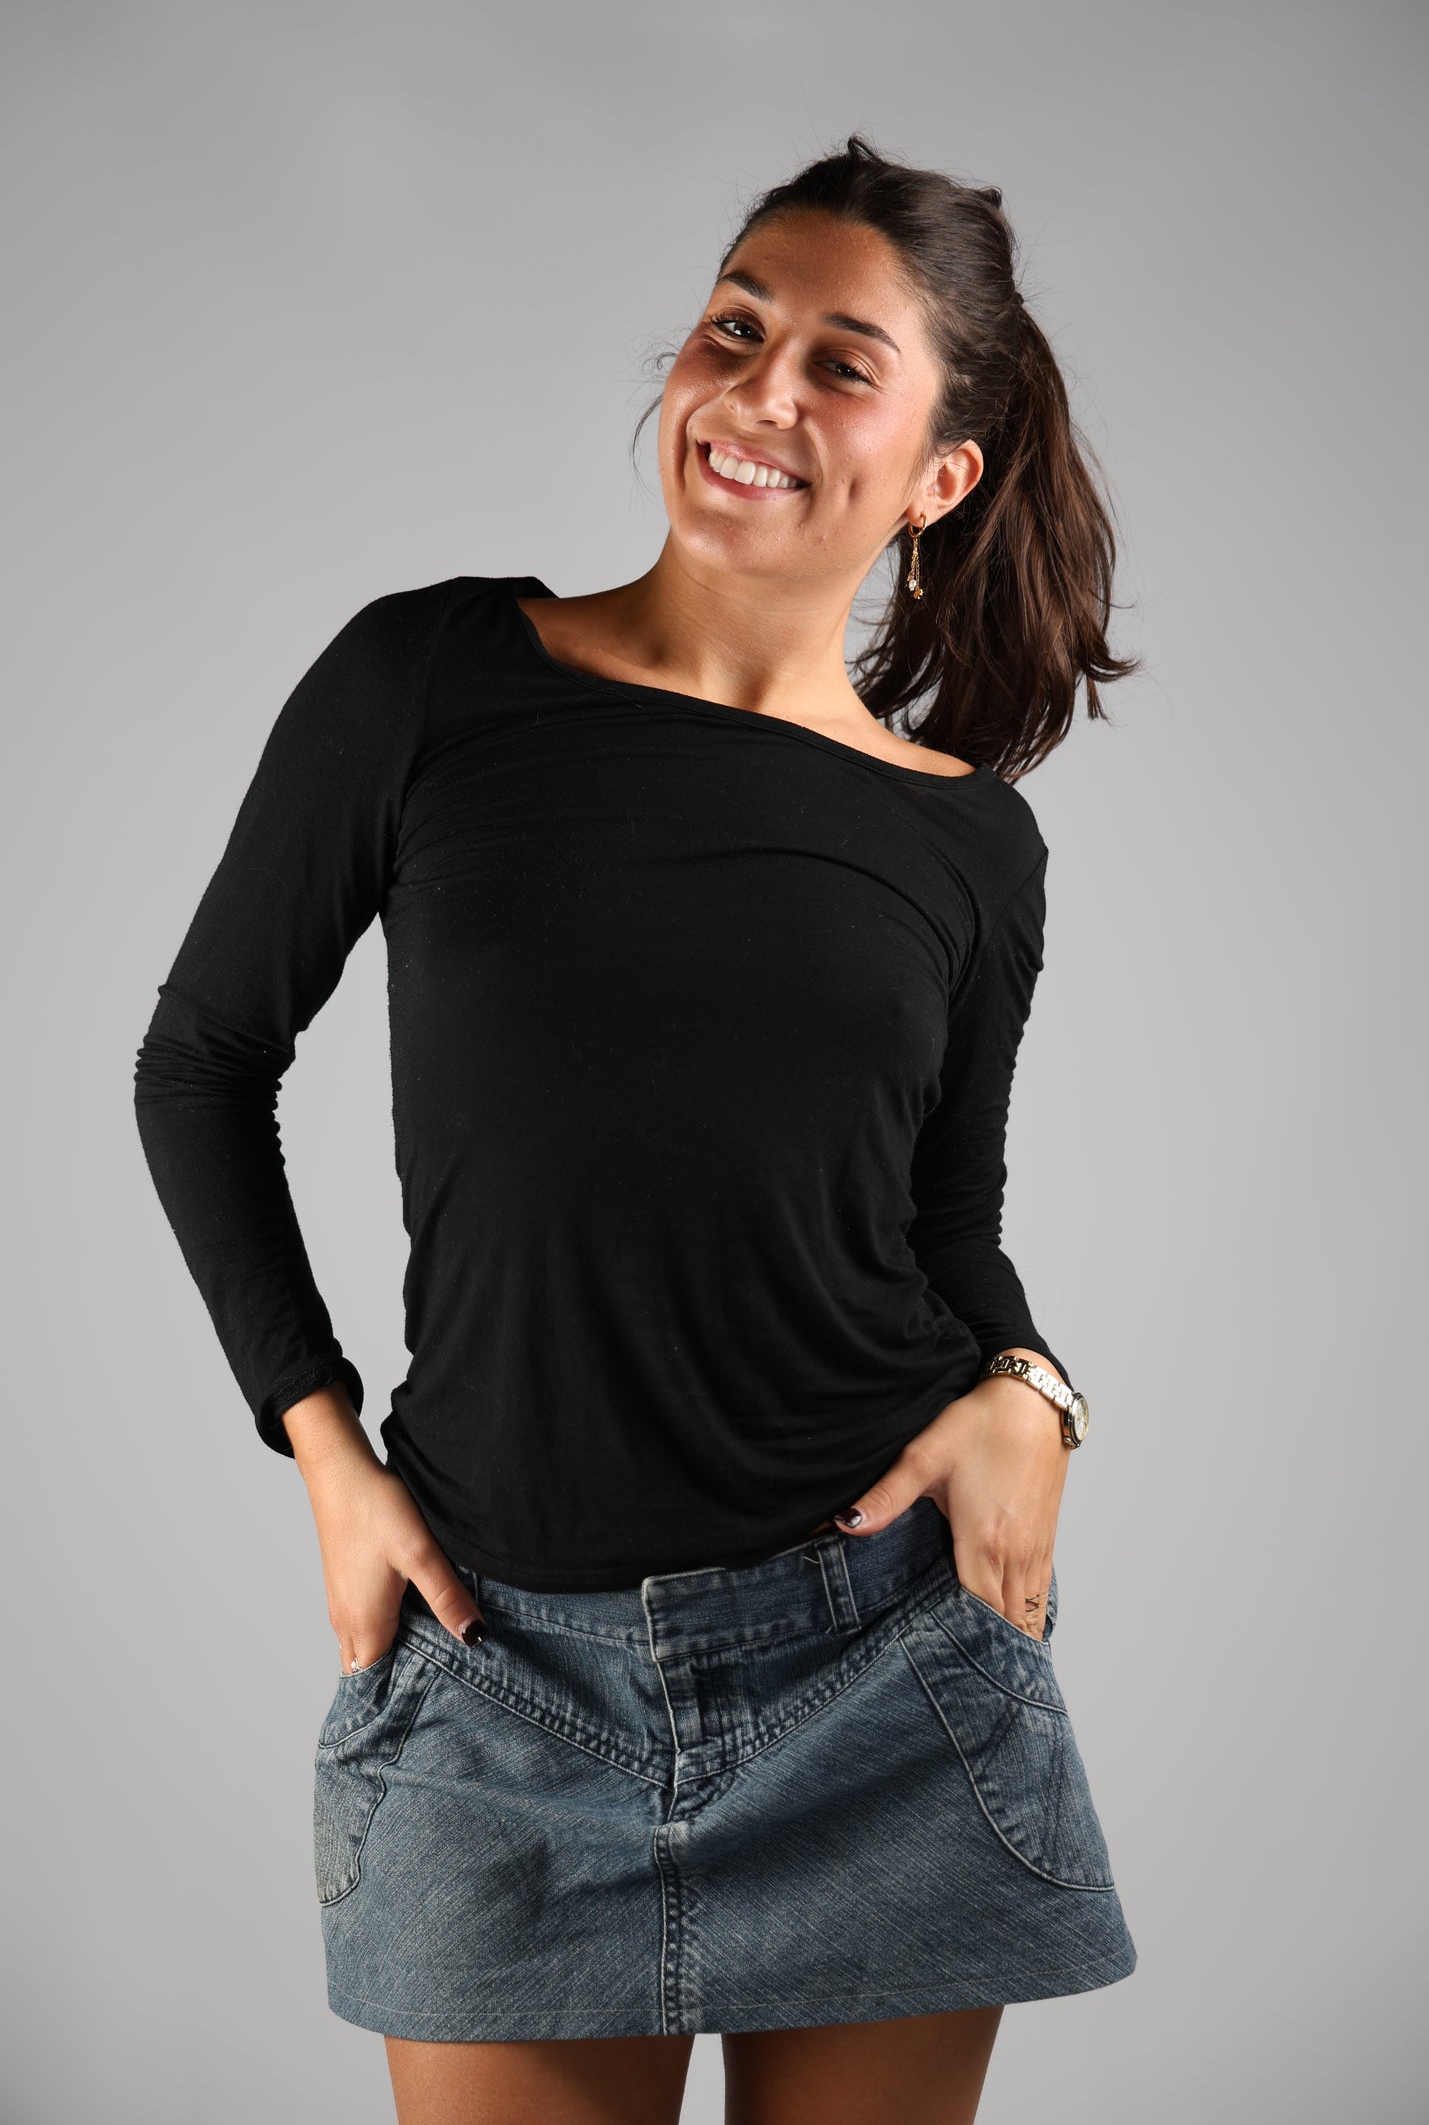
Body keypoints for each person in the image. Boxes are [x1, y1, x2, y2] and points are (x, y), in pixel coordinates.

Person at [133, 134, 1140, 2125]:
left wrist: (1032, 1393)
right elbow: (201, 1061)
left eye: (841, 364)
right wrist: (323, 1448)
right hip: (503, 1673)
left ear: (938, 478)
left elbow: (944, 1225)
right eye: (734, 329)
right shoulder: (431, 676)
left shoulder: (969, 844)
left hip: (880, 1667)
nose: (757, 391)